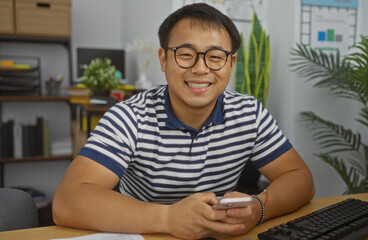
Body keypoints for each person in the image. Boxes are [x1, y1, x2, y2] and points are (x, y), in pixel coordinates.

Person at [52, 3, 315, 239]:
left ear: (231, 64)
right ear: (164, 59)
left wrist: (259, 208)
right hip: (146, 233)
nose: (201, 69)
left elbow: (300, 178)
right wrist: (168, 218)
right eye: (186, 54)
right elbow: (67, 201)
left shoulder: (249, 114)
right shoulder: (128, 117)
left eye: (215, 57)